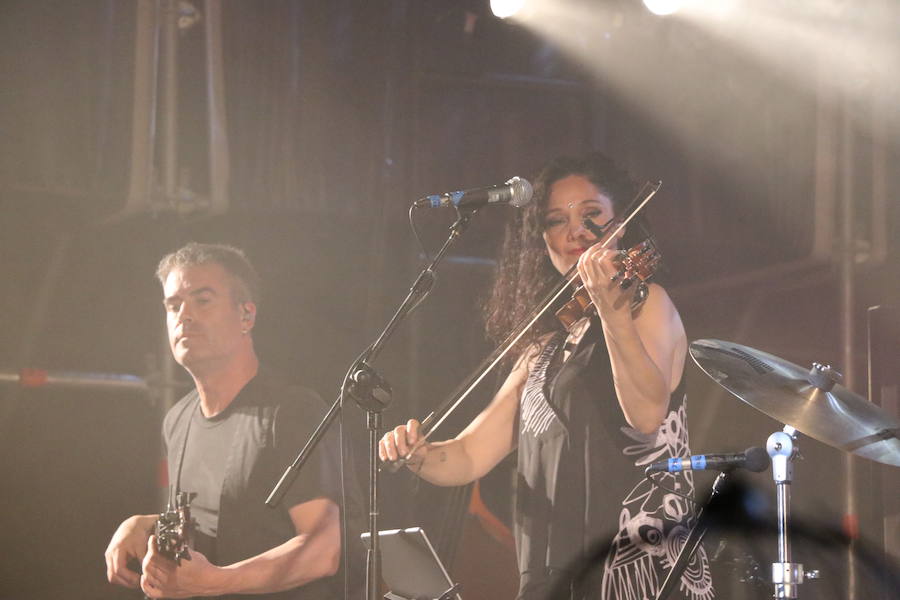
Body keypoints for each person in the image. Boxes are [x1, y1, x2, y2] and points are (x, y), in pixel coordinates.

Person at [379, 154, 715, 600]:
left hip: (640, 573)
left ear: (622, 223)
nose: (575, 231)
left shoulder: (646, 304)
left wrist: (611, 312)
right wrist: (418, 453)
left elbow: (647, 415)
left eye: (591, 215)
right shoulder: (542, 348)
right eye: (557, 221)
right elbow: (468, 456)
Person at [105, 242, 346, 599]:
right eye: (174, 305)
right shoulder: (178, 420)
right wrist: (144, 524)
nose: (184, 315)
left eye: (202, 301)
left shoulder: (293, 412)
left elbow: (324, 549)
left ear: (246, 316)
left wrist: (214, 581)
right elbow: (218, 523)